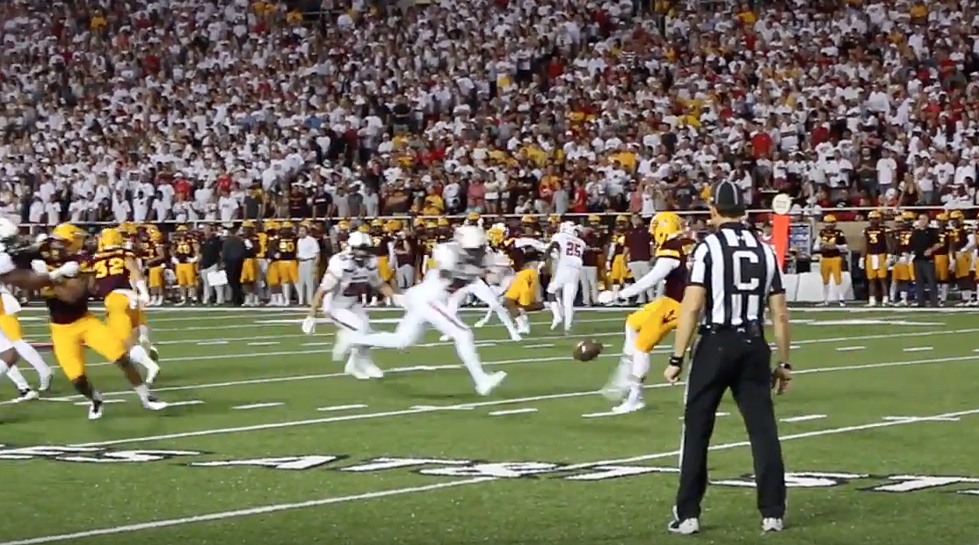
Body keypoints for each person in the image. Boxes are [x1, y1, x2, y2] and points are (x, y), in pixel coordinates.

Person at [665, 180, 792, 535]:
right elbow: (780, 314)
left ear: (714, 211)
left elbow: (691, 306)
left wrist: (676, 357)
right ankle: (772, 512)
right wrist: (784, 363)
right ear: (745, 211)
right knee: (763, 430)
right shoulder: (766, 250)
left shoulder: (708, 249)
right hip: (753, 344)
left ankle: (688, 513)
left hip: (716, 342)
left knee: (698, 429)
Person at [335, 227, 507, 396]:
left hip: (426, 299)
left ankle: (354, 338)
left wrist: (494, 268)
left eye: (477, 248)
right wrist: (479, 268)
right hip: (429, 297)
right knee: (463, 334)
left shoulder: (484, 256)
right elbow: (446, 269)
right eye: (471, 249)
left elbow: (492, 275)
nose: (475, 252)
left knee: (401, 340)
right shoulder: (448, 251)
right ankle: (481, 381)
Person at [37, 223, 167, 420]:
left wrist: (52, 279)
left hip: (85, 320)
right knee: (77, 378)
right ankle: (95, 399)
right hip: (61, 329)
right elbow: (36, 285)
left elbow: (78, 293)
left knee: (122, 357)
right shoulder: (43, 260)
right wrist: (53, 276)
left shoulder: (82, 260)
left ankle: (146, 397)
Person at [603, 211, 694, 414]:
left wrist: (621, 294)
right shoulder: (685, 243)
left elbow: (652, 278)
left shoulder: (671, 249)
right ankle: (627, 368)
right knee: (633, 322)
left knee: (642, 346)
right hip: (674, 299)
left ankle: (635, 396)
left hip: (679, 304)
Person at [302, 231, 395, 380]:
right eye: (360, 249)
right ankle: (346, 342)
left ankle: (356, 364)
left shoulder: (371, 262)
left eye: (365, 249)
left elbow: (380, 284)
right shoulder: (340, 262)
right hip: (334, 305)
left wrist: (399, 299)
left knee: (367, 333)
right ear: (351, 247)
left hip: (353, 303)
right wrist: (312, 313)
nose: (363, 253)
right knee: (360, 328)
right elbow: (323, 289)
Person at [89, 228, 161, 384]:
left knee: (125, 342)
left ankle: (150, 365)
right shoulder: (124, 253)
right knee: (136, 332)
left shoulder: (95, 258)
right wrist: (144, 292)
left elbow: (92, 283)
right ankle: (147, 348)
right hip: (131, 296)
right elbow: (135, 271)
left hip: (115, 299)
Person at [545, 221, 586, 333]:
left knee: (551, 291)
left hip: (564, 268)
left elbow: (554, 246)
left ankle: (557, 316)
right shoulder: (581, 242)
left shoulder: (560, 236)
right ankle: (568, 326)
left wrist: (546, 257)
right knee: (568, 302)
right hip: (576, 271)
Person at [813, 214, 847, 306]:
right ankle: (826, 299)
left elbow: (845, 247)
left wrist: (835, 246)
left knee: (837, 279)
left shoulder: (839, 233)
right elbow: (815, 246)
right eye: (827, 223)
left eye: (831, 223)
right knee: (825, 280)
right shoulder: (822, 233)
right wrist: (822, 247)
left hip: (835, 257)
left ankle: (841, 299)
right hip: (824, 258)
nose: (829, 225)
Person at [910, 213, 941, 308]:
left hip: (928, 260)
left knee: (931, 281)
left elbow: (938, 244)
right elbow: (910, 246)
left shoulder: (932, 232)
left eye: (924, 219)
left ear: (928, 221)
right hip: (917, 259)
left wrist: (931, 250)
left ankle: (934, 302)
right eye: (920, 219)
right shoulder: (915, 232)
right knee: (919, 282)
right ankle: (921, 302)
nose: (922, 221)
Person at [625, 214, 655, 304]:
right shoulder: (629, 233)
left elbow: (651, 244)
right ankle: (641, 298)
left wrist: (653, 255)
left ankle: (651, 297)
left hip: (645, 258)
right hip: (634, 259)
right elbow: (627, 247)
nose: (635, 220)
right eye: (633, 219)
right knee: (638, 281)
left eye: (636, 218)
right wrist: (625, 258)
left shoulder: (647, 231)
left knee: (648, 279)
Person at [862, 210, 889, 306]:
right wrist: (862, 257)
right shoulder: (866, 230)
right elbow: (865, 244)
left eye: (875, 219)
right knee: (871, 279)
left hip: (881, 254)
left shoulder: (884, 229)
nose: (873, 221)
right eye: (872, 219)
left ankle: (885, 298)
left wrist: (889, 255)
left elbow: (888, 243)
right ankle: (872, 299)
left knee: (883, 278)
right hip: (870, 255)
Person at [222, 227, 247, 306]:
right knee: (237, 280)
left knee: (232, 281)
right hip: (239, 261)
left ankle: (237, 297)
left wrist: (224, 262)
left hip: (231, 262)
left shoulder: (227, 242)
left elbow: (224, 253)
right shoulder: (240, 241)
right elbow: (243, 251)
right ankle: (238, 298)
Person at [296, 224, 320, 306]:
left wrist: (315, 264)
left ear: (307, 232)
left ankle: (310, 301)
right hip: (301, 262)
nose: (300, 233)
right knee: (301, 282)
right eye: (299, 231)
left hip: (309, 261)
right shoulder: (299, 241)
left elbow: (317, 253)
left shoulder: (312, 240)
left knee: (309, 282)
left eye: (302, 231)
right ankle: (301, 300)